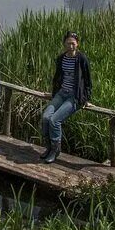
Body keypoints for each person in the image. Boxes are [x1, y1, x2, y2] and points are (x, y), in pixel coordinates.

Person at [39, 31, 91, 163]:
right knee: (46, 117)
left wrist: (86, 98)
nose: (71, 46)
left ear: (77, 44)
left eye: (73, 43)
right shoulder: (61, 58)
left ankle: (55, 151)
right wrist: (54, 92)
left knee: (54, 120)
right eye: (68, 43)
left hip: (74, 97)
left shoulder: (82, 59)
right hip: (61, 93)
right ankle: (49, 147)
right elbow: (57, 77)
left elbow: (88, 80)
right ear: (64, 44)